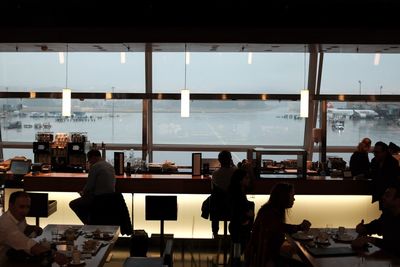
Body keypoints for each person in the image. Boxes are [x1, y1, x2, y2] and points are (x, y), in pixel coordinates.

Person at [245, 183, 311, 267]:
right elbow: (280, 227)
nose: (294, 199)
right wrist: (300, 227)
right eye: (292, 196)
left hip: (261, 257)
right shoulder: (269, 213)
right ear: (284, 197)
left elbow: (280, 227)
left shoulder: (269, 210)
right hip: (264, 260)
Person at [0, 191, 68, 265]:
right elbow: (29, 245)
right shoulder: (6, 225)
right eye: (21, 207)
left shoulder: (17, 217)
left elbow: (22, 228)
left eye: (28, 207)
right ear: (11, 206)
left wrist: (32, 228)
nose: (25, 211)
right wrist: (54, 255)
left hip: (13, 257)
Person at [69, 149, 116, 224]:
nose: (89, 162)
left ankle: (89, 224)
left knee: (73, 204)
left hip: (98, 198)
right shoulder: (109, 165)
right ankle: (93, 221)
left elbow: (89, 186)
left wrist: (82, 192)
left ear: (93, 158)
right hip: (111, 198)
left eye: (89, 160)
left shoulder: (95, 167)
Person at [352, 184, 400, 255]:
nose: (383, 197)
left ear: (398, 200)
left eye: (387, 195)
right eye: (384, 194)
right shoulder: (388, 214)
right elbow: (377, 225)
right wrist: (364, 228)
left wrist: (371, 239)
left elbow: (396, 246)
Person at [210, 150, 237, 237]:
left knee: (213, 202)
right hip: (233, 208)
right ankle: (236, 233)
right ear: (230, 160)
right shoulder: (235, 172)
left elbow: (212, 189)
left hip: (218, 209)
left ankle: (215, 232)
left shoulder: (215, 174)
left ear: (219, 160)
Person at [228, 169, 254, 254]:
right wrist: (247, 216)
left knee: (237, 251)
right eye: (246, 178)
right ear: (240, 180)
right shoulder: (239, 194)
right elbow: (239, 211)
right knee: (240, 249)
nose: (248, 180)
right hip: (240, 227)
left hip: (235, 226)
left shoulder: (235, 191)